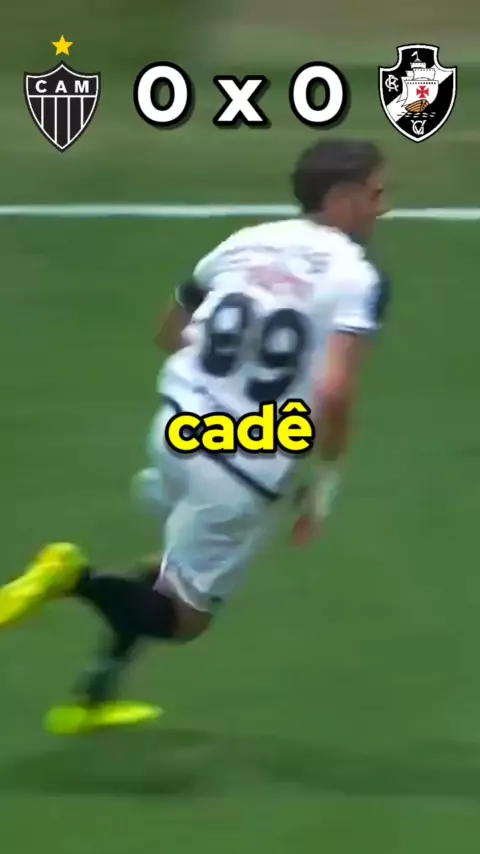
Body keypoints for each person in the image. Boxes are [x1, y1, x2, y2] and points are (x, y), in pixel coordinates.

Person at [0, 138, 390, 734]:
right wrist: (324, 484)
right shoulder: (357, 276)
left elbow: (169, 330)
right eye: (375, 193)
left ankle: (93, 696)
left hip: (177, 427)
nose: (382, 207)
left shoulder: (246, 240)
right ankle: (71, 577)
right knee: (184, 617)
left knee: (169, 564)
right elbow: (335, 392)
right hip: (244, 464)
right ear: (341, 197)